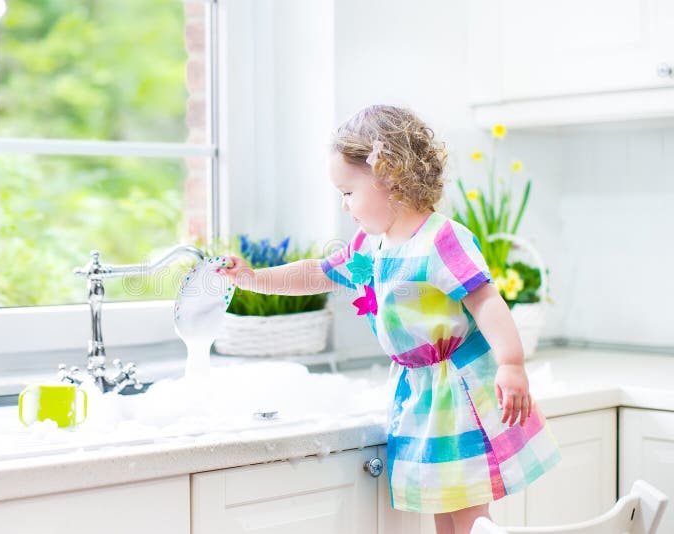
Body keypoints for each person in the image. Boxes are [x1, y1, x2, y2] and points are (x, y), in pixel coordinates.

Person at [218, 105, 561, 533]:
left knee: (471, 512)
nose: (344, 206)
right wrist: (253, 278)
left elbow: (486, 301)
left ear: (390, 177)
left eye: (347, 192)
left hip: (459, 390)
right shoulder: (371, 248)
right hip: (422, 392)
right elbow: (319, 273)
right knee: (446, 506)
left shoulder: (440, 239)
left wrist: (512, 364)